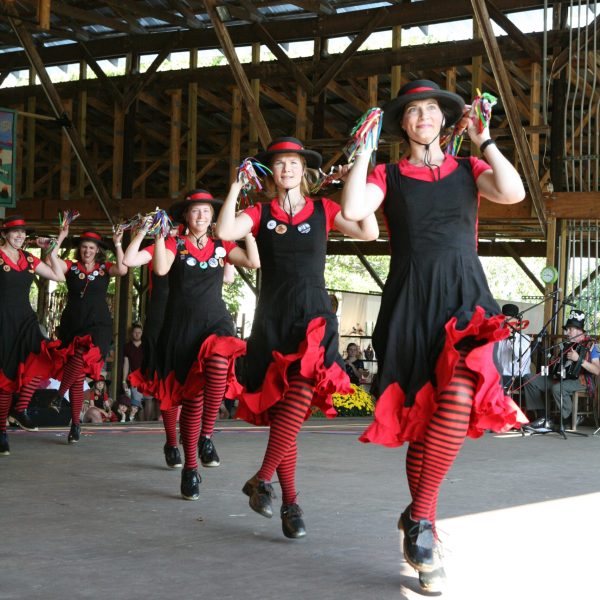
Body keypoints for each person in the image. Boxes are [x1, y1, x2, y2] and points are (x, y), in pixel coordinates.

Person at [340, 80, 527, 591]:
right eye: (413, 111)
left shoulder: (470, 169)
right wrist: (365, 150)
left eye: (432, 109)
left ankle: (421, 519)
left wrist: (485, 138)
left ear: (446, 120)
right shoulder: (388, 174)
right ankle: (423, 537)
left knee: (461, 396)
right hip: (410, 300)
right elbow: (354, 209)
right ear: (402, 124)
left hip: (465, 297)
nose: (424, 116)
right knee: (426, 415)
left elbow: (514, 192)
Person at [216, 136, 378, 539]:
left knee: (299, 399)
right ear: (272, 172)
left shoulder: (323, 208)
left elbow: (368, 231)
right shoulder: (260, 211)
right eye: (280, 164)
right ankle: (290, 504)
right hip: (272, 321)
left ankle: (261, 478)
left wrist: (351, 183)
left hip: (314, 319)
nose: (287, 169)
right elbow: (223, 230)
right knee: (283, 417)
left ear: (304, 170)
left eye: (293, 163)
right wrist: (237, 185)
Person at [152, 189, 260, 499]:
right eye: (195, 211)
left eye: (206, 211)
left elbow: (253, 261)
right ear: (186, 216)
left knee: (218, 364)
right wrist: (160, 236)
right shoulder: (176, 243)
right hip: (182, 326)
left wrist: (248, 229)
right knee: (191, 401)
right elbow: (160, 269)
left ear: (213, 217)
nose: (201, 216)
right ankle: (190, 470)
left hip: (215, 321)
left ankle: (207, 436)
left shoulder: (221, 245)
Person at [0, 215, 67, 455]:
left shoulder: (29, 258)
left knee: (45, 357)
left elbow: (59, 276)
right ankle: (2, 432)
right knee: (6, 379)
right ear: (5, 234)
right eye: (15, 232)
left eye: (23, 233)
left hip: (26, 321)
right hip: (3, 322)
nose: (20, 236)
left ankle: (20, 409)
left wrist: (50, 250)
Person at [54, 226, 127, 443]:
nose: (87, 251)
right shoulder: (71, 267)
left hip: (98, 325)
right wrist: (61, 237)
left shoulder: (105, 268)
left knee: (79, 357)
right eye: (84, 247)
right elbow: (52, 260)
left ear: (97, 251)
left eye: (91, 248)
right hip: (72, 324)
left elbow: (123, 269)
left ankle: (58, 396)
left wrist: (118, 243)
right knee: (77, 378)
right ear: (80, 249)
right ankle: (75, 424)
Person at [524, 310, 599, 429]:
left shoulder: (592, 346)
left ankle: (566, 418)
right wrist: (555, 362)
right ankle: (542, 417)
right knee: (529, 379)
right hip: (561, 378)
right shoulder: (567, 345)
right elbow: (560, 365)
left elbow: (597, 370)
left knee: (557, 388)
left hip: (582, 380)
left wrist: (579, 359)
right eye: (567, 329)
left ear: (580, 331)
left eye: (570, 329)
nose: (567, 332)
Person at [122, 323, 150, 422]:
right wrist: (124, 380)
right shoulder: (127, 346)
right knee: (136, 404)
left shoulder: (146, 345)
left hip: (147, 378)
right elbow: (126, 364)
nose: (137, 334)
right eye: (135, 332)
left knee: (149, 401)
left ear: (142, 333)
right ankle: (140, 425)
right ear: (131, 333)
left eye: (139, 332)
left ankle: (148, 425)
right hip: (135, 378)